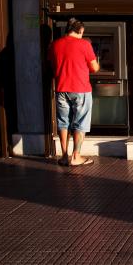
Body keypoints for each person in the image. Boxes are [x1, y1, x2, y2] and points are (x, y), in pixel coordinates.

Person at [48, 18, 100, 166]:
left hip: (61, 89)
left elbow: (52, 67)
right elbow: (95, 68)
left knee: (63, 123)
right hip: (81, 89)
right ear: (81, 30)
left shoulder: (54, 45)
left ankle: (64, 156)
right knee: (80, 123)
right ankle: (76, 156)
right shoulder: (85, 44)